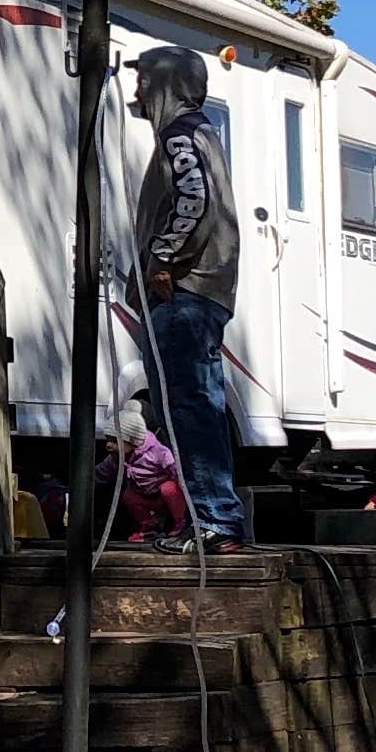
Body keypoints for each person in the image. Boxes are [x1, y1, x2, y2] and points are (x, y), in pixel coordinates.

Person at [129, 43, 251, 549]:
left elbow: (194, 196)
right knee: (192, 404)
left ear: (165, 83)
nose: (136, 90)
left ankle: (215, 522)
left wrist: (162, 256)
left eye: (143, 80)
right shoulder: (200, 133)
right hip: (203, 291)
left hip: (186, 293)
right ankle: (210, 521)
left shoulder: (180, 135)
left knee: (188, 405)